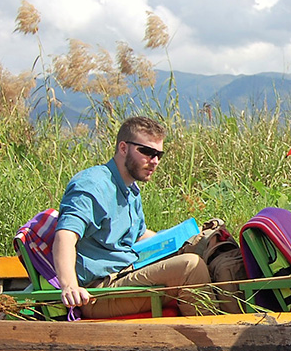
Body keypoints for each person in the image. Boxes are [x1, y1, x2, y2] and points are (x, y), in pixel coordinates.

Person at [54, 116, 211, 317]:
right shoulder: (92, 185)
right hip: (100, 290)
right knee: (190, 267)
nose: (154, 161)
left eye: (159, 155)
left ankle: (240, 324)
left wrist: (183, 241)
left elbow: (138, 234)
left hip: (128, 271)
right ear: (123, 148)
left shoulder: (130, 189)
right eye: (147, 152)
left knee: (210, 247)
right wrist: (69, 287)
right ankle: (215, 338)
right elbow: (66, 235)